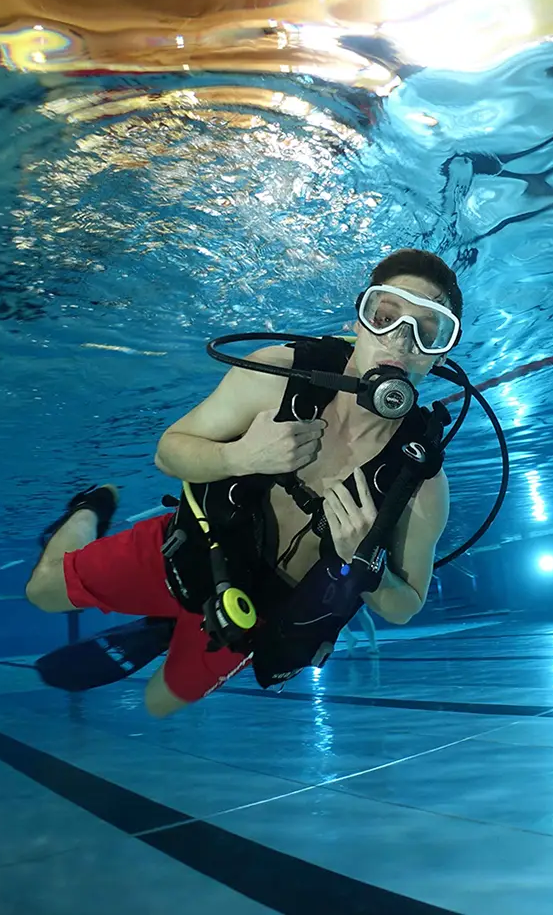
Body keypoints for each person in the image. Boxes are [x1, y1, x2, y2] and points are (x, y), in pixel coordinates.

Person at [25, 248, 461, 717]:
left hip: (250, 614)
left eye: (427, 331)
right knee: (43, 591)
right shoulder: (276, 375)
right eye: (385, 315)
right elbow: (169, 451)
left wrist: (364, 564)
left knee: (160, 703)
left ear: (438, 356)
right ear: (359, 321)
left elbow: (405, 605)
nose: (399, 341)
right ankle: (89, 510)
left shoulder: (420, 482)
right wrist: (239, 456)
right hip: (193, 549)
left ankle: (164, 630)